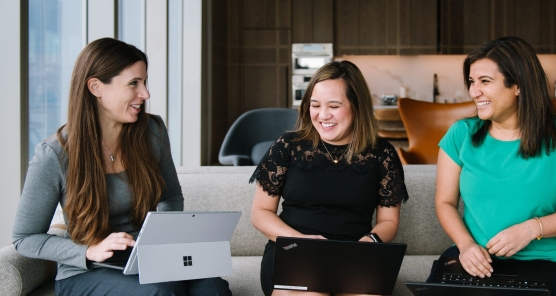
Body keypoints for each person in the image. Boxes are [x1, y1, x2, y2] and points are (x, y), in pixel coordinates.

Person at [12, 38, 232, 296]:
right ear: (96, 87)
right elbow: (24, 237)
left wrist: (161, 237)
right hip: (87, 271)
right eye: (133, 84)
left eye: (144, 82)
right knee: (159, 292)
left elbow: (170, 195)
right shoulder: (54, 155)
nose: (145, 94)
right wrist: (87, 251)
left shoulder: (152, 131)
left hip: (146, 259)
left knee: (213, 288)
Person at [249, 60, 409, 296]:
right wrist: (303, 241)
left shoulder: (382, 154)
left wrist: (369, 241)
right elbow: (260, 213)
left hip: (353, 256)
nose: (323, 115)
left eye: (334, 106)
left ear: (356, 106)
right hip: (294, 250)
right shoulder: (288, 146)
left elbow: (389, 222)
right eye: (315, 105)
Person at [434, 36, 556, 295]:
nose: (474, 92)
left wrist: (530, 230)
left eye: (485, 82)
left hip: (547, 261)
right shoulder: (460, 134)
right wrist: (465, 245)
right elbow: (445, 203)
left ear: (518, 85)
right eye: (472, 82)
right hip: (477, 258)